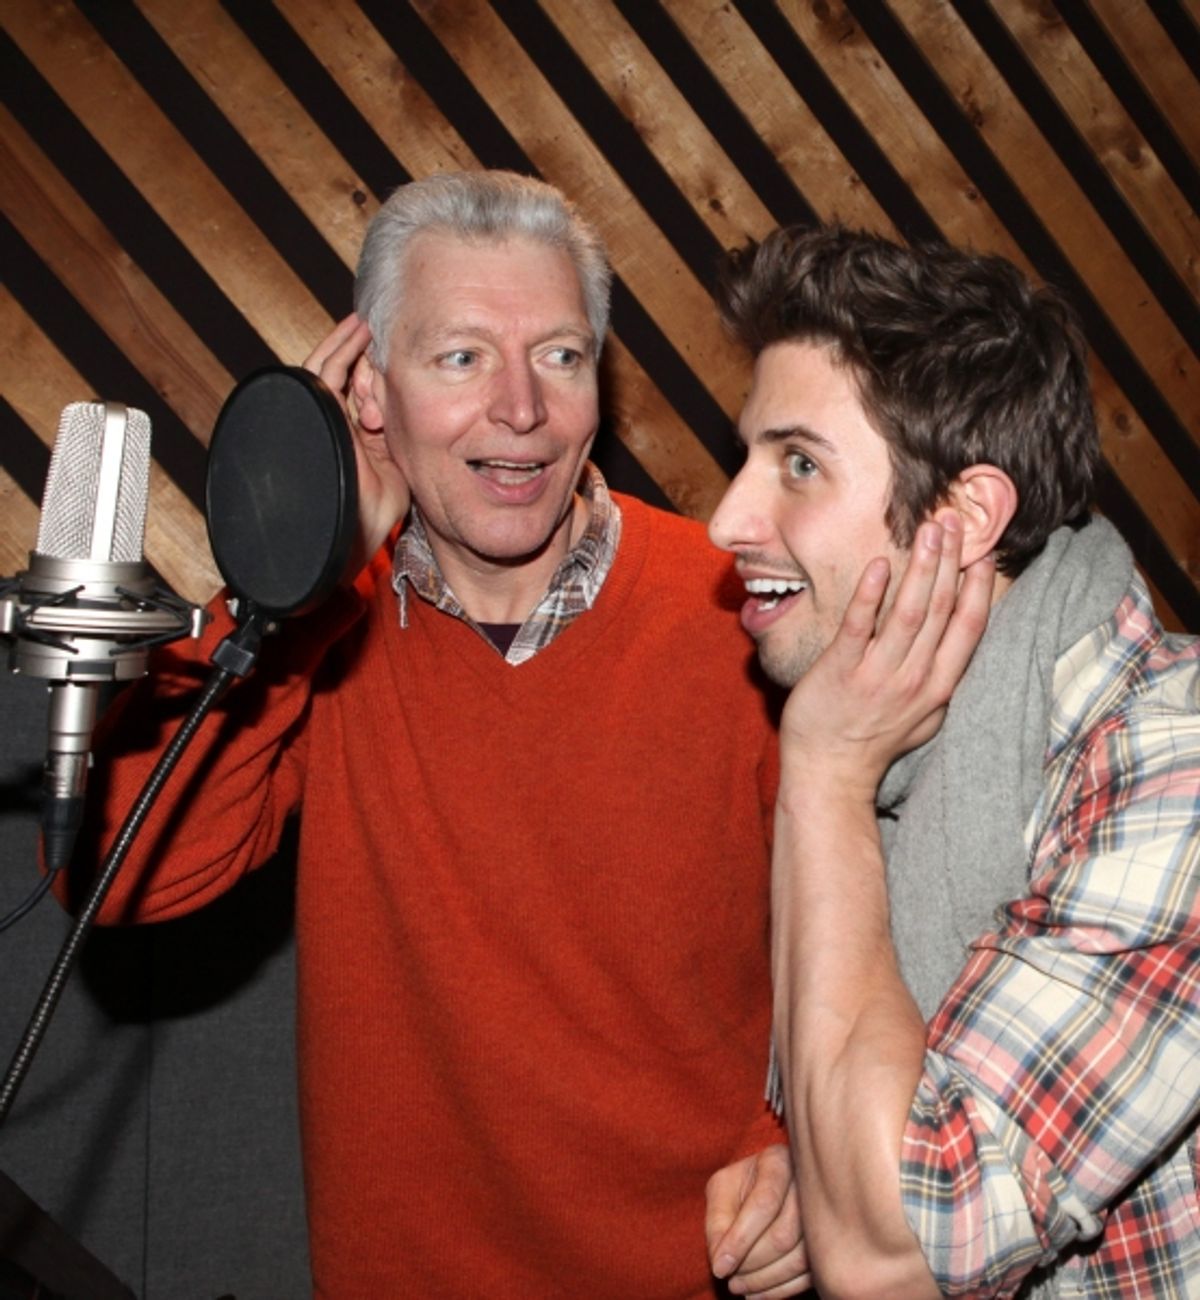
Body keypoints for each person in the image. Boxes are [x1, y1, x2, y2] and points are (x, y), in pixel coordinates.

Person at [78, 170, 809, 1298]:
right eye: (462, 357)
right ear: (369, 392)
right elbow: (121, 876)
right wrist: (296, 587)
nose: (520, 409)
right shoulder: (319, 635)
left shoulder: (742, 615)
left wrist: (799, 1144)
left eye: (559, 356)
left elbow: (885, 934)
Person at [704, 224, 1200, 1298]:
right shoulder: (900, 747)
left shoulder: (1173, 758)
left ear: (963, 516)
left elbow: (895, 1246)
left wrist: (825, 776)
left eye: (798, 463)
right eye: (746, 457)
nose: (726, 518)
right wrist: (807, 1163)